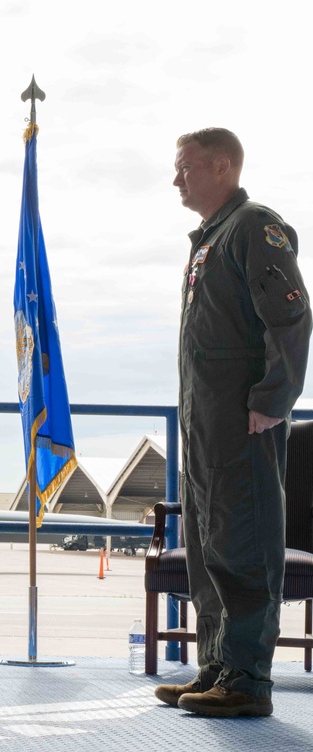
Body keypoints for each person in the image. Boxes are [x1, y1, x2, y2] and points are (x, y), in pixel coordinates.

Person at [155, 128, 311, 718]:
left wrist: (274, 396)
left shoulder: (253, 228)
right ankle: (217, 666)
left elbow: (292, 318)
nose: (176, 179)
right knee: (208, 539)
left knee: (242, 539)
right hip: (206, 417)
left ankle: (247, 680)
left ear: (221, 167)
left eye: (185, 167)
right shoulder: (209, 240)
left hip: (244, 417)